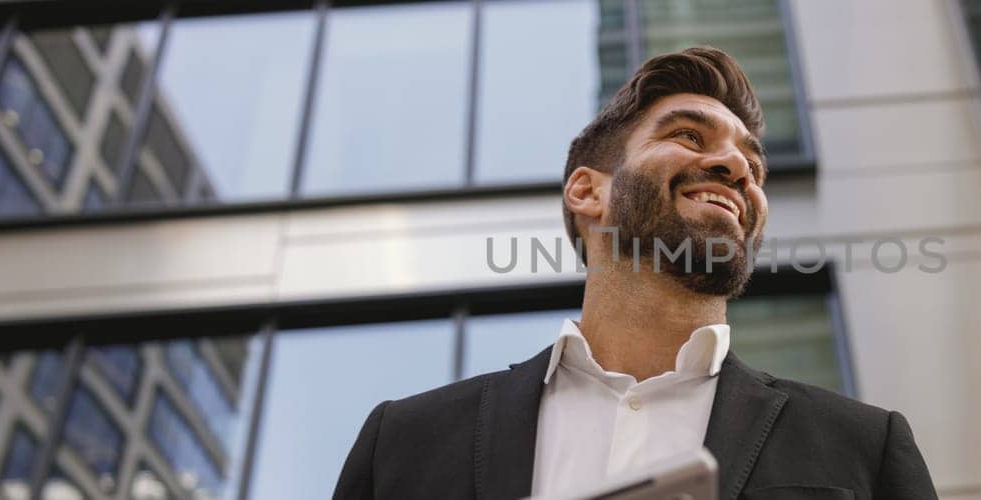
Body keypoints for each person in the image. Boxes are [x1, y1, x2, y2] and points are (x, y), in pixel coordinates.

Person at [333, 46, 936, 500]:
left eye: (753, 163)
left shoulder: (863, 446)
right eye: (688, 135)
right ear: (586, 191)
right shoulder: (405, 441)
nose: (736, 167)